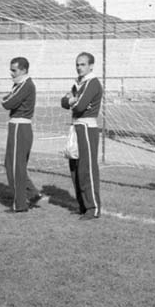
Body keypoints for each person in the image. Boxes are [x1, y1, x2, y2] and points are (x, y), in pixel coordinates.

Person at [61, 52, 103, 220]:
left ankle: (93, 208)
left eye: (83, 64)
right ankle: (82, 205)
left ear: (91, 66)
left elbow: (79, 106)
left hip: (87, 127)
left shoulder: (92, 83)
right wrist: (71, 100)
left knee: (87, 168)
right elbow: (63, 102)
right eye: (77, 64)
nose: (79, 67)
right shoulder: (78, 83)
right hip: (76, 126)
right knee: (74, 168)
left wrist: (72, 100)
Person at [1, 57, 41, 212]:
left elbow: (8, 103)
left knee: (16, 166)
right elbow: (10, 100)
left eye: (14, 70)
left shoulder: (25, 85)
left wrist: (5, 99)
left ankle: (20, 204)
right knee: (11, 164)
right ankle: (32, 193)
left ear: (23, 70)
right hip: (17, 126)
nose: (11, 73)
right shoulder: (19, 84)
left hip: (20, 127)